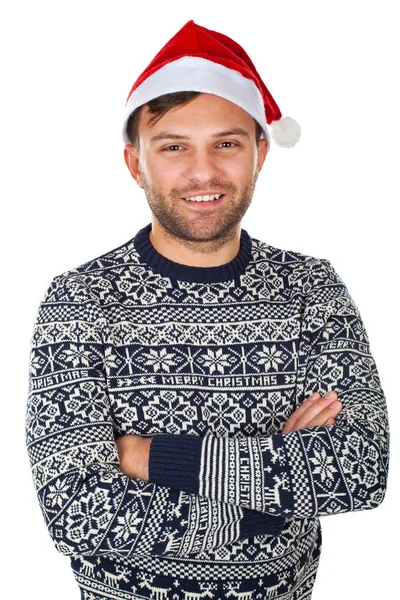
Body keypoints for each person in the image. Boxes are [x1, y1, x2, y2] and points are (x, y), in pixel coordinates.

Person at [25, 19, 390, 600]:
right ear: (135, 164)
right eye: (173, 147)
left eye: (227, 143)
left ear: (260, 154)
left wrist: (145, 456)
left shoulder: (311, 289)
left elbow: (361, 470)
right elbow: (75, 512)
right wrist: (270, 506)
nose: (203, 172)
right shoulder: (81, 300)